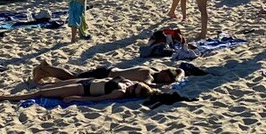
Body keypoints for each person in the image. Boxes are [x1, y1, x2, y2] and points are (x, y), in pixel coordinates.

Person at [32, 59, 184, 87]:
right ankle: (46, 67)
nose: (166, 81)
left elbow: (181, 70)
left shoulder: (153, 69)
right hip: (105, 75)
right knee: (74, 77)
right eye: (167, 79)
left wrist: (177, 76)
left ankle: (44, 72)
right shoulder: (148, 75)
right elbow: (147, 85)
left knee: (75, 76)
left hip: (109, 70)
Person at [0, 79, 152, 104]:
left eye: (135, 90)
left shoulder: (120, 93)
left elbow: (99, 99)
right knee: (46, 87)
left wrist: (76, 98)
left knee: (40, 93)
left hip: (81, 89)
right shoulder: (127, 82)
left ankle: (4, 97)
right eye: (136, 85)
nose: (132, 87)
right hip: (83, 81)